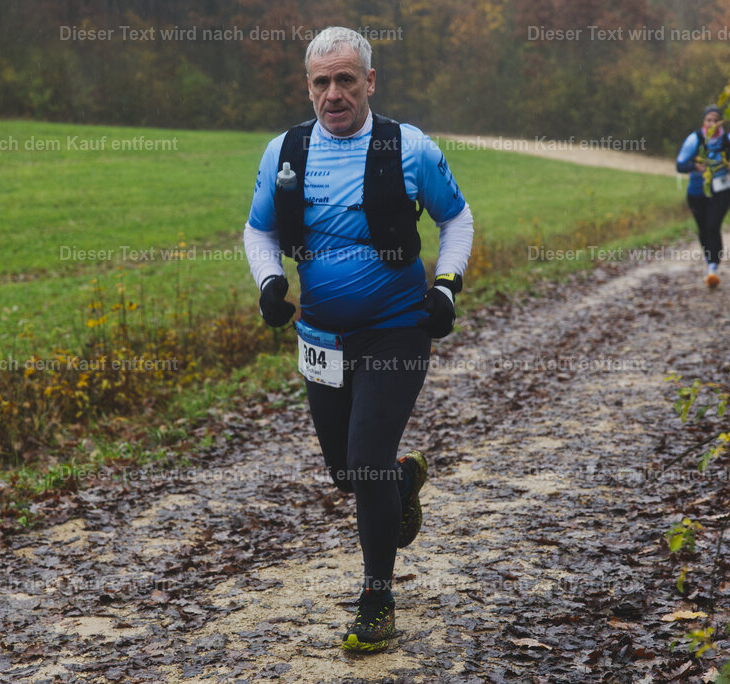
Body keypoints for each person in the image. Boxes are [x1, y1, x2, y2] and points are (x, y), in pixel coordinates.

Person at [242, 27, 473, 653]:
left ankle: (377, 596)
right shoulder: (284, 153)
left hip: (397, 328)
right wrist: (268, 283)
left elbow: (457, 218)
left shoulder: (410, 147)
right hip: (320, 336)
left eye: (347, 79)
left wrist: (446, 287)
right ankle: (398, 484)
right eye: (322, 81)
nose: (334, 93)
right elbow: (257, 230)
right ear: (308, 86)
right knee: (348, 471)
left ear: (370, 81)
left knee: (366, 453)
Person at [675, 104, 730, 288]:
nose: (712, 123)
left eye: (716, 120)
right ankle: (710, 263)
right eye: (709, 120)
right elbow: (680, 165)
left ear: (720, 122)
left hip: (721, 190)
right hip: (697, 191)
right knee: (703, 229)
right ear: (704, 122)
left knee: (713, 226)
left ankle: (713, 268)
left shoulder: (729, 139)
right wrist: (695, 167)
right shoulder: (694, 139)